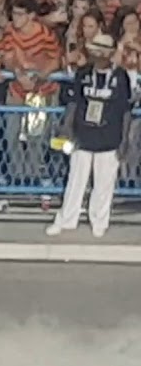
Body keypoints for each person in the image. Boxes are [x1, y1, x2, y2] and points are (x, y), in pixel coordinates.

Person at [46, 33, 132, 238]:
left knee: (104, 182)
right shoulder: (83, 73)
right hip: (82, 133)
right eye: (94, 51)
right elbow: (74, 102)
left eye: (101, 51)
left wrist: (124, 139)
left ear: (109, 54)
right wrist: (67, 128)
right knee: (76, 179)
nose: (97, 55)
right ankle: (67, 219)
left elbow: (125, 110)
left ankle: (99, 220)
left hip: (109, 134)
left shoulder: (120, 76)